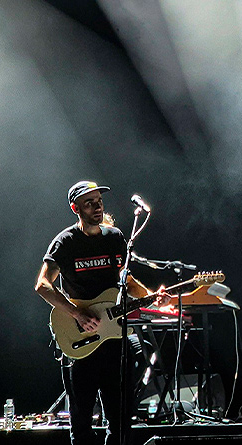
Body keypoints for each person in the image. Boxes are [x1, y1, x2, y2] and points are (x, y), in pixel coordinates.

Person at [35, 180, 171, 445]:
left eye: (99, 201)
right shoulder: (65, 242)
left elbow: (127, 282)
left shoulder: (115, 237)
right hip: (80, 339)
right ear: (76, 208)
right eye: (90, 203)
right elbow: (42, 285)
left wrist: (151, 297)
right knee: (82, 422)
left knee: (120, 420)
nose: (98, 207)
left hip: (113, 339)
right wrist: (76, 314)